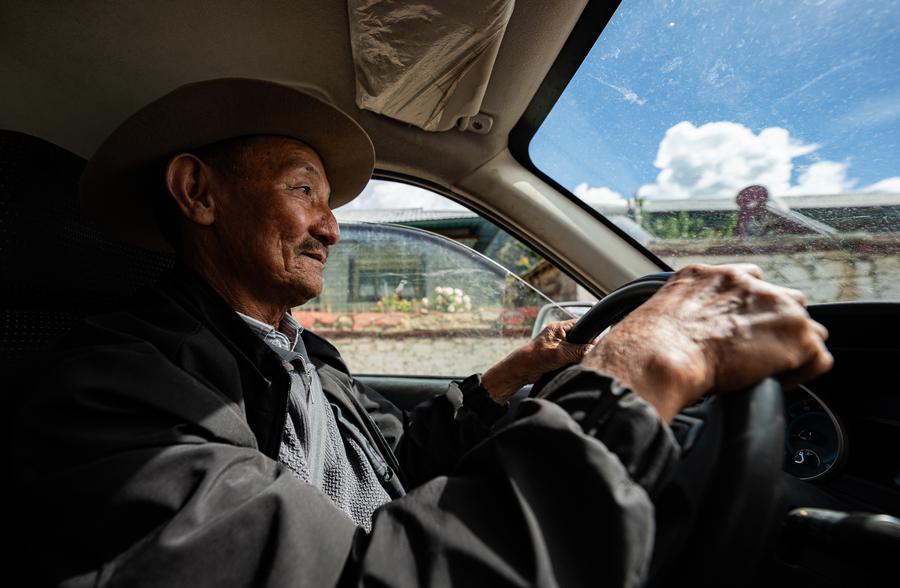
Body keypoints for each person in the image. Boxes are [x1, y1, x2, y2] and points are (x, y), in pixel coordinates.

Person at [12, 78, 832, 587]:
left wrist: (511, 376)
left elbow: (391, 465)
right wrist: (643, 367)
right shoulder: (113, 391)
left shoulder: (305, 354)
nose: (332, 228)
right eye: (304, 190)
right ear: (198, 192)